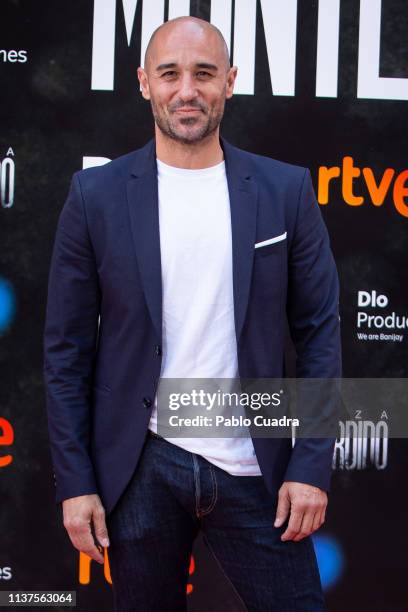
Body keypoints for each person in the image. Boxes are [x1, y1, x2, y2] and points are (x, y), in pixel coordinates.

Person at [43, 16, 341, 612]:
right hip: (140, 465)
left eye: (204, 74)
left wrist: (311, 462)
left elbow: (320, 336)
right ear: (143, 83)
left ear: (229, 82)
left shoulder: (285, 191)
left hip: (258, 467)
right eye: (170, 74)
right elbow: (65, 353)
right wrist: (76, 485)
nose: (187, 90)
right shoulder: (94, 196)